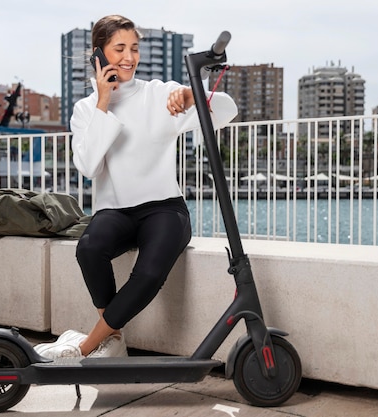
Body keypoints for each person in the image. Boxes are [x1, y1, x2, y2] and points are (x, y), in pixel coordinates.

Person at [35, 14, 237, 359]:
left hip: (164, 208)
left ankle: (86, 346)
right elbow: (88, 166)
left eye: (134, 48)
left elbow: (227, 109)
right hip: (115, 210)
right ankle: (111, 338)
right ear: (99, 55)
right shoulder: (85, 110)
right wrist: (103, 101)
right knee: (88, 249)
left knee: (147, 275)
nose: (129, 57)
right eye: (119, 49)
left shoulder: (160, 93)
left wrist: (190, 95)